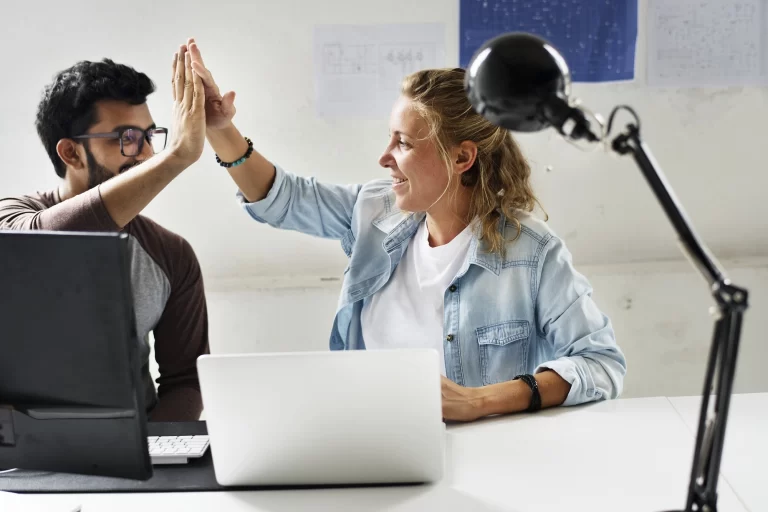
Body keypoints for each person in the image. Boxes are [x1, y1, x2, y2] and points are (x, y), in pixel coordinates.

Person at [188, 38, 626, 422]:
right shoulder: (373, 214)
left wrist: (480, 401)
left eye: (403, 143)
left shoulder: (533, 253)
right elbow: (281, 198)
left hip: (490, 457)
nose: (384, 157)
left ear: (461, 158)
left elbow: (600, 363)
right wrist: (221, 129)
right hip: (373, 442)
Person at [0, 46, 209, 421]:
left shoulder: (171, 254)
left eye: (150, 136)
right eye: (126, 137)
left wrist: (149, 452)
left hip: (132, 460)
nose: (146, 154)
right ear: (71, 153)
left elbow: (186, 381)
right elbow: (37, 246)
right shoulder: (12, 217)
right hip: (17, 462)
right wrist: (176, 157)